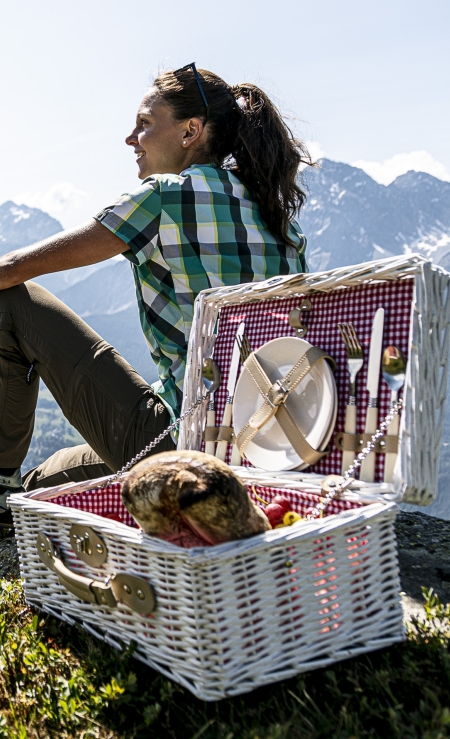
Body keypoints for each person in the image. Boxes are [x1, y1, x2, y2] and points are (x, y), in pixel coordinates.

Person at [0, 64, 310, 525]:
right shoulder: (279, 219)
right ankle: (17, 498)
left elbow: (11, 269)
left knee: (10, 303)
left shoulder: (162, 198)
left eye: (144, 124)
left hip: (178, 445)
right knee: (50, 480)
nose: (131, 139)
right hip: (263, 453)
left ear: (190, 131)